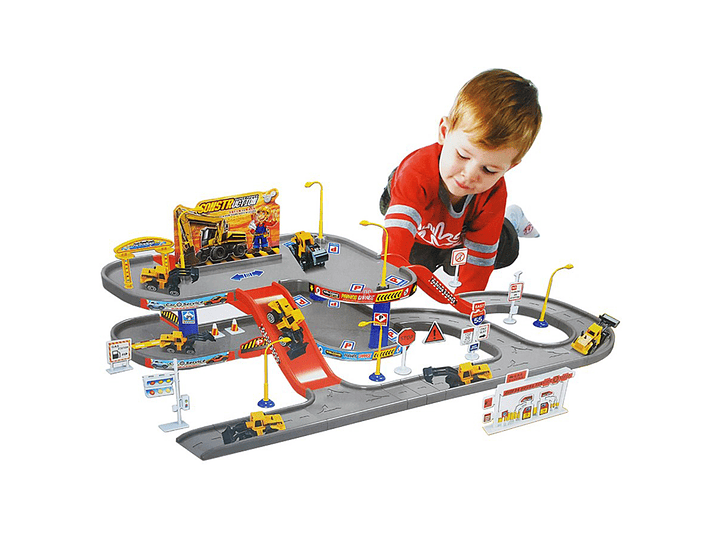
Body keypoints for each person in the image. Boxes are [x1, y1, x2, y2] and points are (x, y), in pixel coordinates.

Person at [379, 69, 542, 293]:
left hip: (459, 236)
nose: (469, 175)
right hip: (424, 230)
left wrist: (465, 304)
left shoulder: (493, 193)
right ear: (444, 132)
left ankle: (512, 220)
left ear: (509, 167)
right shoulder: (416, 173)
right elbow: (395, 248)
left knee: (503, 253)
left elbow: (479, 260)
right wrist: (387, 284)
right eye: (463, 156)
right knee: (413, 268)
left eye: (489, 170)